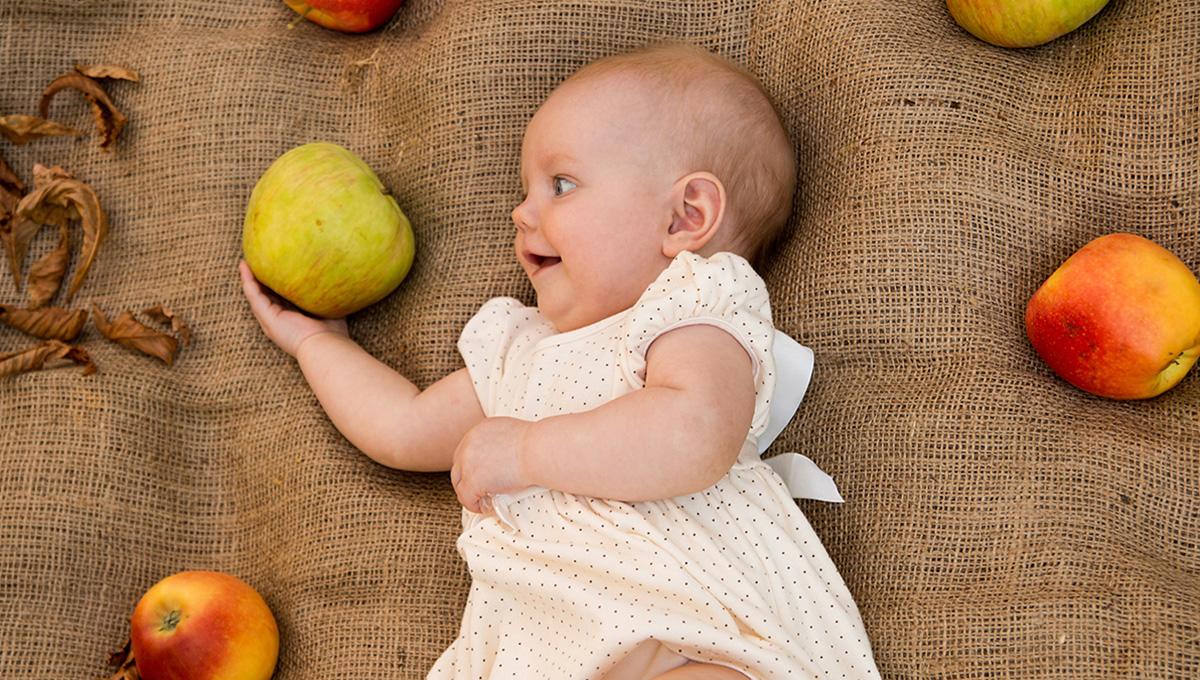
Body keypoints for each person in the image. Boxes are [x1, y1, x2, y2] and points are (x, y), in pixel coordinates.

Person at [239, 41, 880, 680]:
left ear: (686, 217)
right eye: (528, 190)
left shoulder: (689, 310)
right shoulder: (519, 352)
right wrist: (319, 344)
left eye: (561, 185)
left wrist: (524, 452)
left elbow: (696, 433)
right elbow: (403, 427)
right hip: (538, 648)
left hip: (690, 631)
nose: (522, 212)